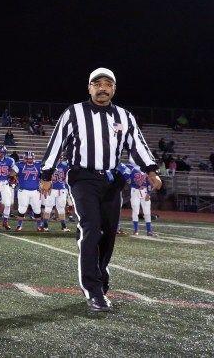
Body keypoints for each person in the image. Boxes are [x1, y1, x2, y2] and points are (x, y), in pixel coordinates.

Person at [39, 67, 161, 313]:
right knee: (92, 227)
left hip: (111, 179)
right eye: (97, 83)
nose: (102, 87)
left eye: (107, 83)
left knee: (108, 233)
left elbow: (137, 144)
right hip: (82, 178)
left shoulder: (124, 116)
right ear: (89, 87)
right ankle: (93, 290)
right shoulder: (74, 112)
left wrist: (151, 170)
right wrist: (46, 175)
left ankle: (99, 269)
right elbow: (57, 143)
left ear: (113, 89)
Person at [15, 152, 42, 232]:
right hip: (23, 190)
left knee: (37, 209)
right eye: (27, 158)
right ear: (24, 158)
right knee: (22, 209)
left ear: (33, 158)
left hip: (35, 191)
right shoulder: (19, 165)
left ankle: (39, 225)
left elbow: (44, 175)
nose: (29, 160)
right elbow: (12, 173)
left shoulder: (38, 165)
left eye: (30, 159)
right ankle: (19, 225)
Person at [125, 163, 154, 236]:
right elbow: (127, 178)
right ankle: (135, 230)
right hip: (135, 190)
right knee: (135, 210)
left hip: (144, 191)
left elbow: (150, 183)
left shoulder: (147, 168)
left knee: (147, 211)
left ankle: (149, 230)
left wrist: (149, 193)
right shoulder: (130, 167)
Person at [42, 155, 70, 232]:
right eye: (57, 158)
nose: (59, 159)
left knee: (61, 208)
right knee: (48, 208)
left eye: (60, 157)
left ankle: (63, 227)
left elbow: (67, 177)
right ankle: (45, 226)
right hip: (51, 189)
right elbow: (43, 178)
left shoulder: (64, 165)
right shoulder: (48, 165)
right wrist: (45, 187)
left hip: (61, 189)